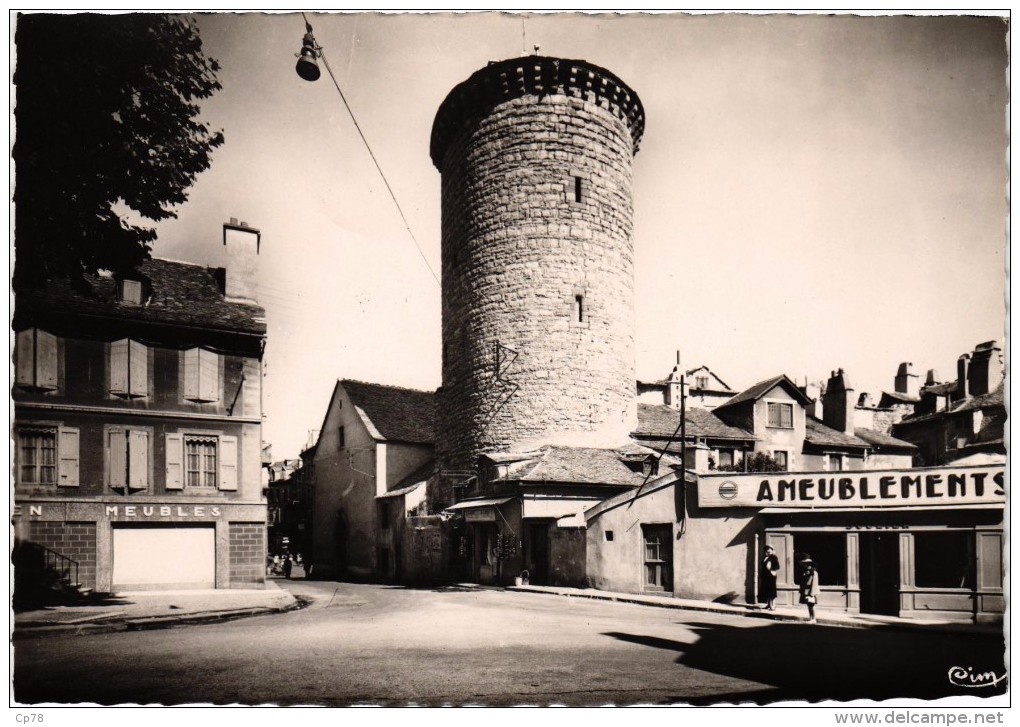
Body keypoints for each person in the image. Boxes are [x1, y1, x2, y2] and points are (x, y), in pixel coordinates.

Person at [797, 553, 820, 623]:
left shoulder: (814, 573)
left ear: (811, 565)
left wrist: (812, 594)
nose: (807, 565)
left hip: (811, 591)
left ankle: (814, 619)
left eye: (808, 564)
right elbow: (803, 583)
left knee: (812, 605)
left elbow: (814, 584)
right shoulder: (805, 572)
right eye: (805, 564)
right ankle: (810, 618)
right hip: (806, 591)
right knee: (809, 605)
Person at [761, 544, 780, 611]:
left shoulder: (774, 557)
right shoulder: (765, 558)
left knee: (772, 591)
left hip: (771, 576)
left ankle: (773, 605)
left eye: (770, 549)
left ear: (772, 550)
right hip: (766, 577)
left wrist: (770, 568)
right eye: (767, 549)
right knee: (767, 590)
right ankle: (769, 604)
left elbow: (777, 566)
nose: (768, 550)